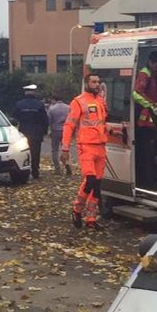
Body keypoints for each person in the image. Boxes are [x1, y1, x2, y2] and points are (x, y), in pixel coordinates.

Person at [61, 73, 108, 230]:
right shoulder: (78, 101)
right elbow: (69, 125)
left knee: (97, 185)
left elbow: (101, 123)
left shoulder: (100, 101)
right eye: (93, 81)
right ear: (86, 83)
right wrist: (65, 148)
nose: (97, 84)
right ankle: (77, 209)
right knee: (90, 181)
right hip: (86, 146)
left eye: (98, 81)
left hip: (101, 146)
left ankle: (91, 219)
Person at [133, 51, 157, 189]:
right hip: (145, 124)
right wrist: (152, 105)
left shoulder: (153, 76)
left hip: (152, 121)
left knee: (154, 153)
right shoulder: (145, 74)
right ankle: (150, 182)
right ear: (151, 63)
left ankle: (154, 181)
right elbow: (136, 93)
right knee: (148, 154)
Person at [12, 84, 49, 179]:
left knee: (24, 152)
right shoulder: (39, 104)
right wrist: (44, 132)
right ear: (34, 93)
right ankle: (35, 172)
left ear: (25, 93)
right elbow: (45, 119)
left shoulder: (19, 104)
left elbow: (14, 118)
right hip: (37, 133)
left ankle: (24, 170)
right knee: (36, 153)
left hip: (23, 132)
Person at [47, 96, 72, 175]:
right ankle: (67, 163)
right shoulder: (68, 108)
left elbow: (49, 121)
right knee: (65, 149)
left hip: (55, 130)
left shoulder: (52, 109)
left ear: (54, 99)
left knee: (55, 150)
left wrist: (49, 130)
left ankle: (57, 168)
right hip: (66, 130)